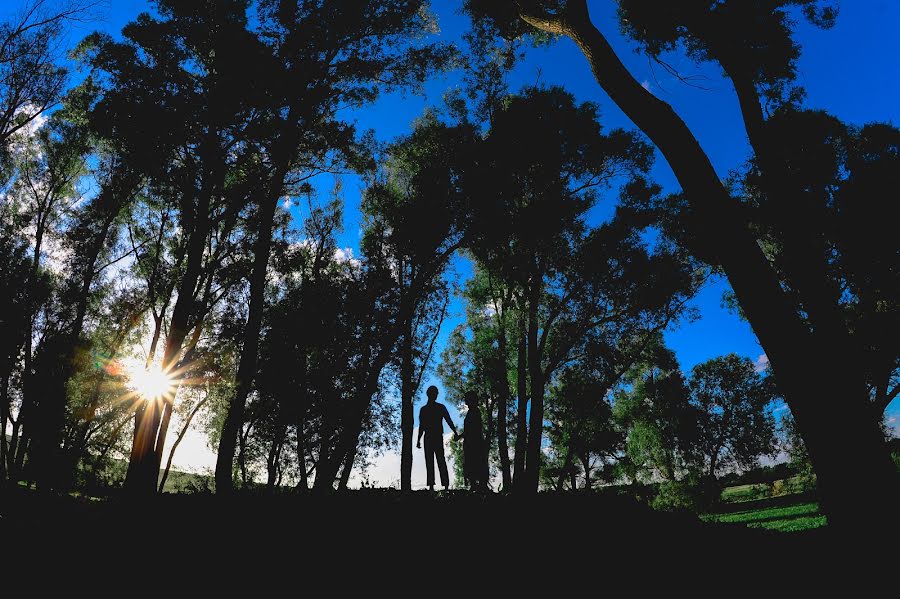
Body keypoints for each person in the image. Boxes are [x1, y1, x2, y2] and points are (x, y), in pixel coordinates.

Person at [417, 385, 457, 491]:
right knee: (435, 460)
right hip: (433, 437)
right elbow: (422, 426)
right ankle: (438, 485)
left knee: (436, 460)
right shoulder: (435, 408)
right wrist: (418, 439)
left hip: (433, 437)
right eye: (435, 393)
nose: (436, 395)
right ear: (431, 394)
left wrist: (455, 431)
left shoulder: (426, 409)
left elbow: (448, 420)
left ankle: (441, 485)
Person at [462, 391, 489, 491]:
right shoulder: (473, 412)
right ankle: (475, 485)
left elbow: (473, 429)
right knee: (473, 463)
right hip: (472, 442)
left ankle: (478, 485)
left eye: (467, 398)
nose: (465, 400)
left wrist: (463, 436)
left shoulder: (474, 412)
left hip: (473, 443)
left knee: (474, 462)